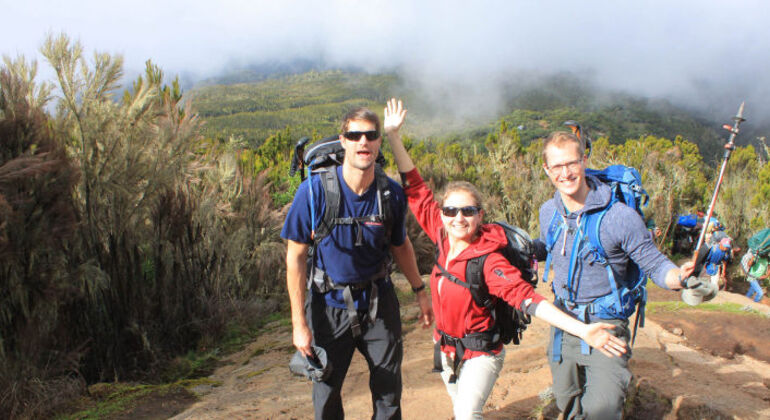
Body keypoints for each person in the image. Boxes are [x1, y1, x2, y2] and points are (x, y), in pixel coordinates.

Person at [383, 99, 627, 420]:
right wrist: (393, 136)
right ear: (441, 215)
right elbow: (415, 187)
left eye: (468, 211)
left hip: (481, 354)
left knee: (468, 414)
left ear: (480, 215)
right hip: (445, 350)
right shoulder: (443, 236)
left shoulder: (489, 259)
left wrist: (582, 331)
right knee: (460, 411)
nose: (458, 217)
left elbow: (528, 300)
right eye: (451, 210)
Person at [282, 106, 433, 420]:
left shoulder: (389, 193)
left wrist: (420, 290)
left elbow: (401, 245)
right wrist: (299, 324)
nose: (363, 141)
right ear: (343, 140)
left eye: (371, 135)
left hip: (379, 302)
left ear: (378, 143)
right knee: (325, 394)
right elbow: (295, 257)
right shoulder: (313, 192)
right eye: (354, 135)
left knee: (389, 390)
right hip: (327, 305)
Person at [538, 131, 697, 420]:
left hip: (607, 323)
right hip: (563, 322)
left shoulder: (620, 217)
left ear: (585, 160)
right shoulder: (548, 212)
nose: (566, 173)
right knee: (566, 401)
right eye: (557, 166)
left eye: (572, 163)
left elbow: (656, 264)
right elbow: (549, 249)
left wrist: (681, 278)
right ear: (546, 170)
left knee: (603, 410)